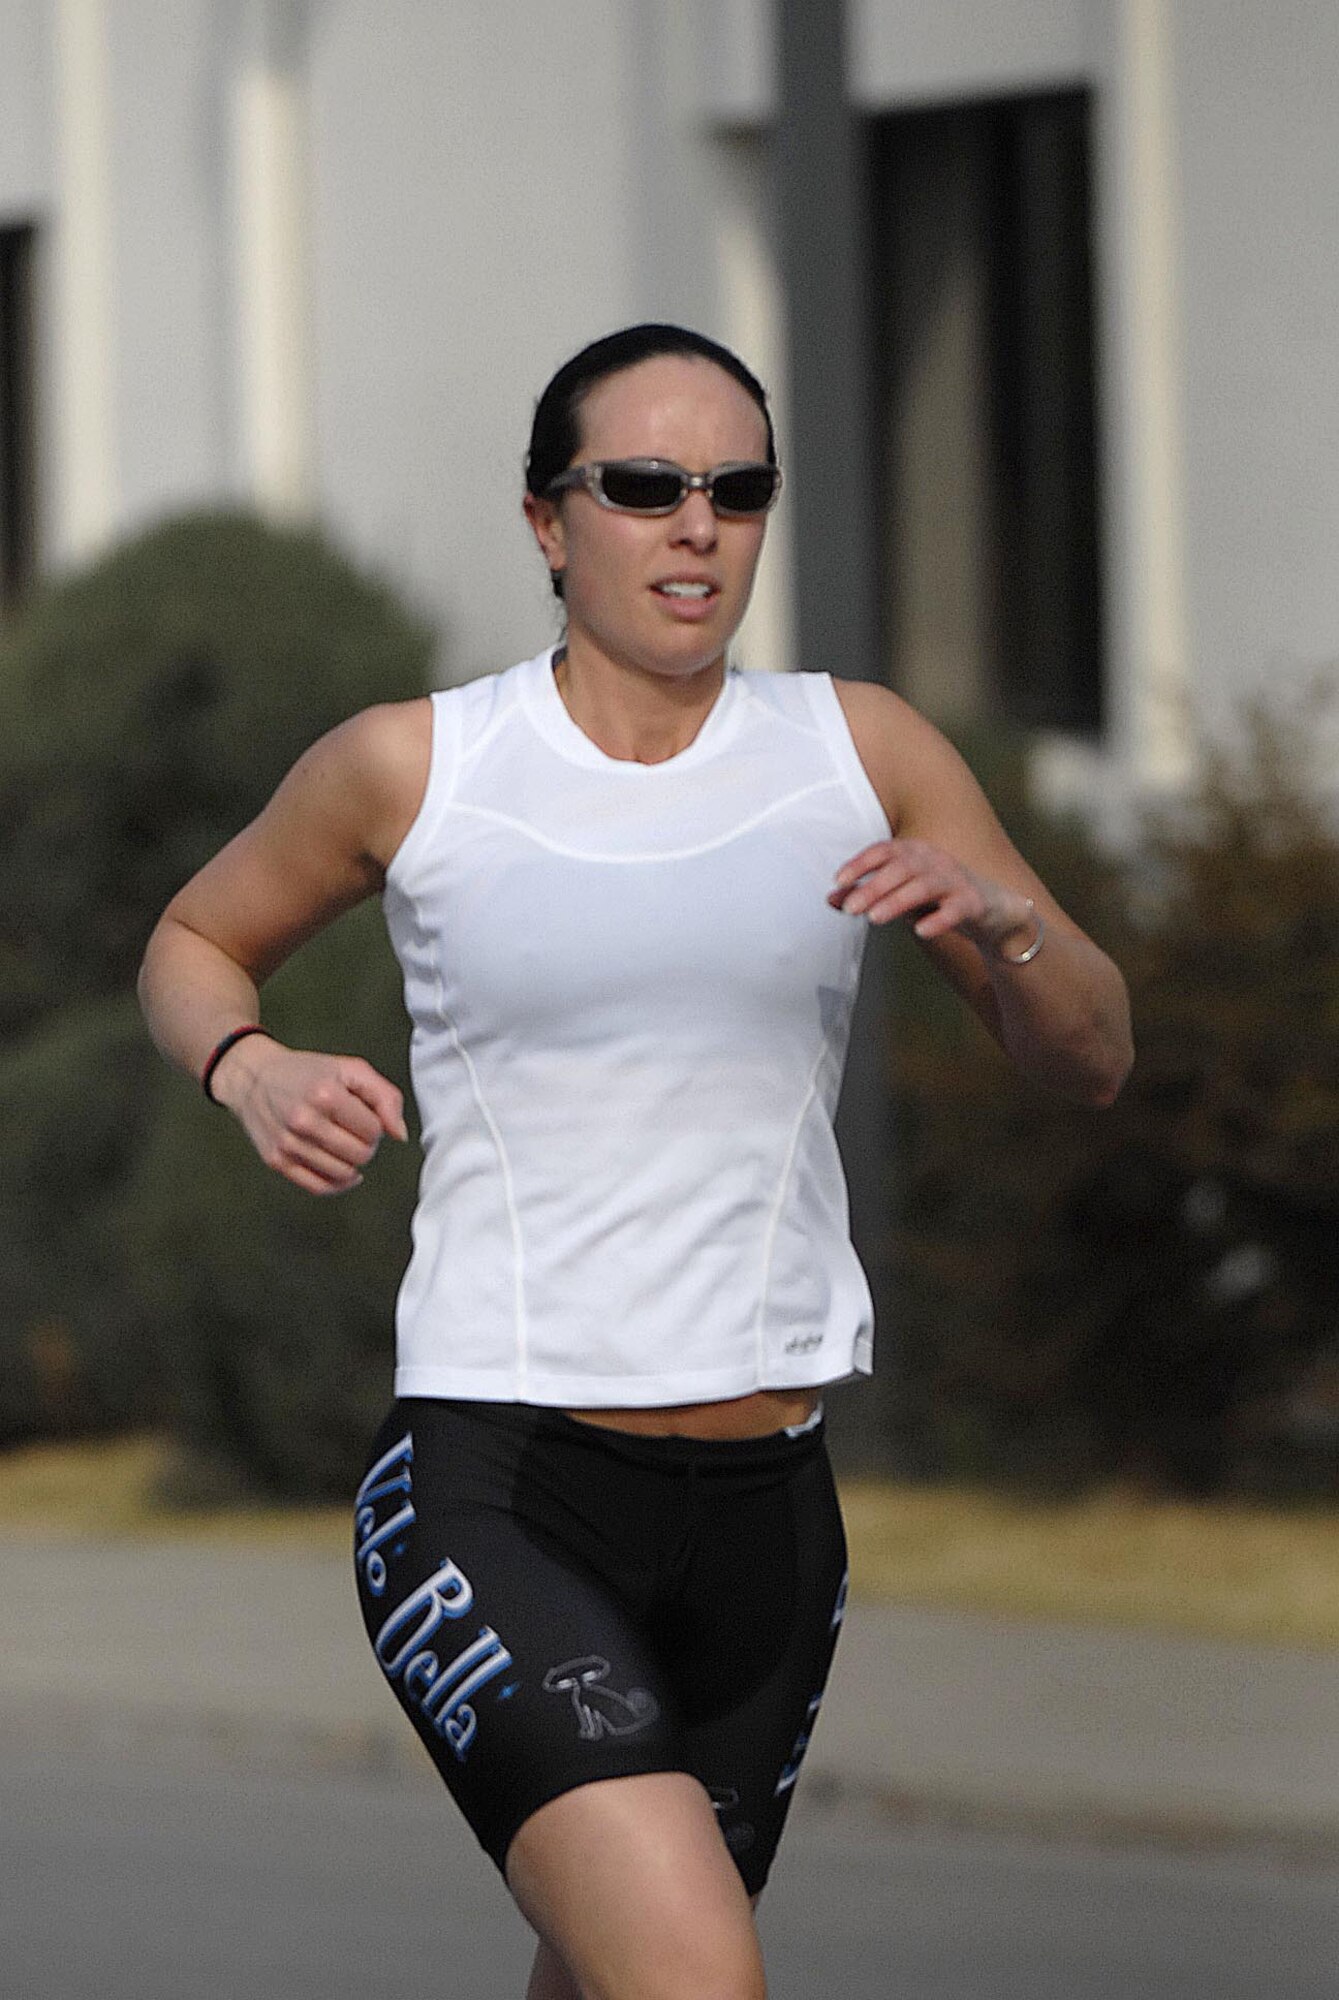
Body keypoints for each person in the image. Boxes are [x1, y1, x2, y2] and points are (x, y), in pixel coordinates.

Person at [138, 322, 1132, 2000]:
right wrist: (247, 1063)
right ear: (548, 522)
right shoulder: (423, 762)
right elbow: (189, 939)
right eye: (647, 485)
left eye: (737, 490)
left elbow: (1089, 1057)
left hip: (769, 1514)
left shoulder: (859, 752)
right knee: (694, 1980)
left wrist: (1014, 928)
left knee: (612, 1978)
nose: (697, 524)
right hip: (501, 1488)